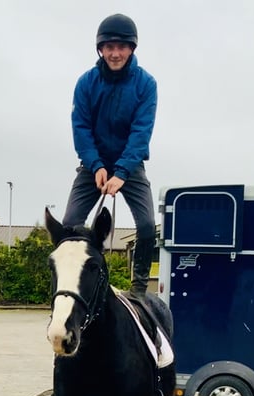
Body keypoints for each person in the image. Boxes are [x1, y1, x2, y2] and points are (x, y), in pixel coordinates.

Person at [62, 13, 157, 298]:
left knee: (148, 225)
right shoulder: (86, 83)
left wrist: (122, 172)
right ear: (100, 49)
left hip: (131, 165)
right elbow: (81, 128)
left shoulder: (146, 84)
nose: (115, 53)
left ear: (131, 49)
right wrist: (96, 165)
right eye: (109, 47)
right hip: (93, 165)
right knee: (68, 226)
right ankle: (74, 284)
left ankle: (139, 289)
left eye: (122, 47)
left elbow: (142, 132)